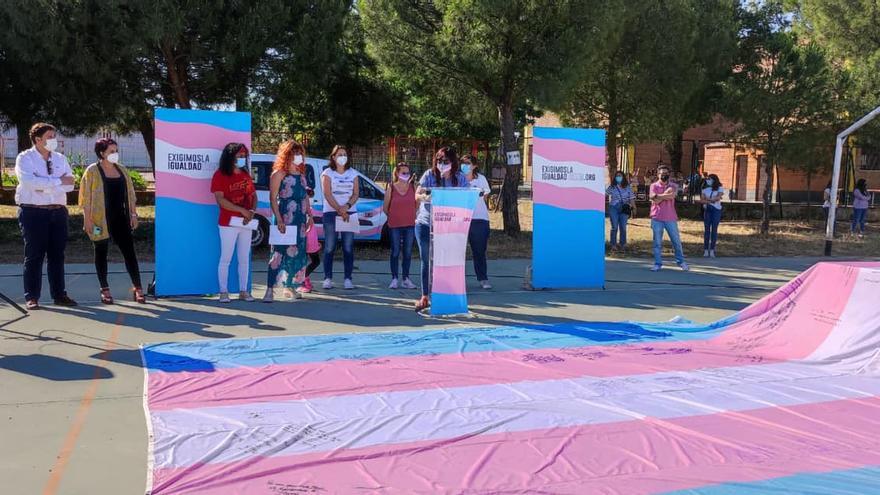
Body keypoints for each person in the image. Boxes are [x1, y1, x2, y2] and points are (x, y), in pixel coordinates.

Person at [15, 123, 77, 310]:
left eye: (54, 136)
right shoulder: (25, 158)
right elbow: (29, 182)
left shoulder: (60, 158)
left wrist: (47, 184)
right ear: (37, 139)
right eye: (49, 137)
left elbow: (71, 183)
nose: (53, 140)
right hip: (33, 211)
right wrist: (57, 181)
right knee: (34, 255)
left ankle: (59, 294)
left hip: (58, 211)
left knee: (57, 255)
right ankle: (32, 296)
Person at [79, 138, 144, 304]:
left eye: (116, 151)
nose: (115, 154)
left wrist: (133, 214)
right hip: (99, 221)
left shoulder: (122, 170)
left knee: (130, 253)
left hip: (120, 219)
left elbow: (130, 194)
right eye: (111, 151)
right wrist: (88, 221)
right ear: (102, 153)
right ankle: (105, 289)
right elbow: (86, 198)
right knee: (101, 252)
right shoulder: (92, 171)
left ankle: (138, 288)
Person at [414, 147, 469, 311]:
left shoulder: (460, 178)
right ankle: (425, 296)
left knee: (445, 261)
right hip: (425, 223)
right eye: (439, 161)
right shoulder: (429, 175)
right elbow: (417, 194)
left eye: (445, 161)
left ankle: (445, 295)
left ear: (453, 162)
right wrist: (426, 196)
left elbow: (467, 196)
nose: (441, 164)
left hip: (449, 226)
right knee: (426, 259)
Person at [264, 140, 313, 302]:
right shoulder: (279, 173)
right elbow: (272, 198)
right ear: (287, 155)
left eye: (300, 153)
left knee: (296, 253)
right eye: (295, 153)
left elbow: (305, 196)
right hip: (284, 217)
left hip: (299, 219)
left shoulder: (302, 174)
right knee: (278, 253)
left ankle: (290, 285)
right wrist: (279, 219)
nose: (298, 156)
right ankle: (270, 289)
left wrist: (310, 216)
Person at [210, 143, 256, 303]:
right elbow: (220, 200)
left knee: (244, 258)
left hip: (245, 223)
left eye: (244, 156)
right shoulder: (220, 175)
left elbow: (253, 195)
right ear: (230, 156)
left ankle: (244, 291)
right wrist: (242, 211)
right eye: (239, 156)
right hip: (228, 223)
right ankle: (223, 292)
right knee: (226, 258)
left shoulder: (245, 175)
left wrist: (251, 212)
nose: (242, 159)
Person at [321, 145, 359, 290]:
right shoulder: (327, 173)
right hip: (331, 213)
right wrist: (339, 209)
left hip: (350, 213)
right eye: (339, 154)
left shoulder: (353, 173)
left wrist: (346, 207)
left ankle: (348, 279)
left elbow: (356, 193)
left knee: (348, 247)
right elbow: (327, 194)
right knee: (330, 247)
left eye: (344, 154)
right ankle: (327, 278)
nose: (342, 157)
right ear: (333, 157)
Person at [382, 162, 418, 289]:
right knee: (395, 252)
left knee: (407, 252)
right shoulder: (391, 187)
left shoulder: (413, 187)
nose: (406, 175)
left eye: (408, 173)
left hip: (410, 225)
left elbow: (416, 205)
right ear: (397, 173)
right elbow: (385, 208)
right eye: (403, 172)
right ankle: (394, 278)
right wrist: (394, 216)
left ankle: (406, 279)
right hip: (395, 225)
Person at [649, 164, 689, 272]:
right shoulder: (653, 186)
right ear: (658, 174)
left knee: (676, 241)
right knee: (657, 242)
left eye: (666, 174)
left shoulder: (673, 185)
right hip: (657, 217)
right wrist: (665, 194)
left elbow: (671, 196)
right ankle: (658, 263)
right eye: (662, 174)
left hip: (670, 217)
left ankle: (681, 262)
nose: (664, 175)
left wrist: (659, 196)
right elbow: (654, 200)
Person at [461, 155, 492, 289]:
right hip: (460, 219)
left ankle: (483, 279)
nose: (464, 166)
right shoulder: (457, 178)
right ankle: (458, 280)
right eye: (462, 163)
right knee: (458, 251)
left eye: (467, 163)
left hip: (479, 219)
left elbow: (485, 195)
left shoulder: (481, 179)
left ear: (474, 166)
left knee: (479, 251)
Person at [606, 170, 636, 252]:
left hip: (624, 208)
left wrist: (634, 208)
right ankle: (613, 245)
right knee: (614, 227)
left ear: (623, 177)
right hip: (614, 208)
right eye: (617, 176)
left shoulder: (628, 187)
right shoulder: (612, 187)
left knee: (623, 227)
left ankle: (623, 244)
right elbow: (605, 194)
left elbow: (632, 198)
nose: (618, 177)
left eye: (620, 176)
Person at [300, 187, 321, 293]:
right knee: (313, 261)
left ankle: (304, 278)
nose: (310, 198)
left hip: (311, 241)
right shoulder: (306, 212)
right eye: (308, 195)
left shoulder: (309, 210)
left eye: (310, 195)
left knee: (315, 261)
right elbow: (308, 226)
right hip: (307, 240)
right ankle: (304, 280)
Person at [700, 174, 725, 258]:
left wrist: (708, 200)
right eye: (707, 179)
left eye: (710, 179)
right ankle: (706, 250)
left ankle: (712, 250)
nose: (708, 181)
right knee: (707, 230)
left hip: (716, 210)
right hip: (708, 210)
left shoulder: (720, 188)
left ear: (714, 180)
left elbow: (718, 197)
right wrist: (711, 200)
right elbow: (702, 200)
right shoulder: (705, 189)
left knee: (714, 229)